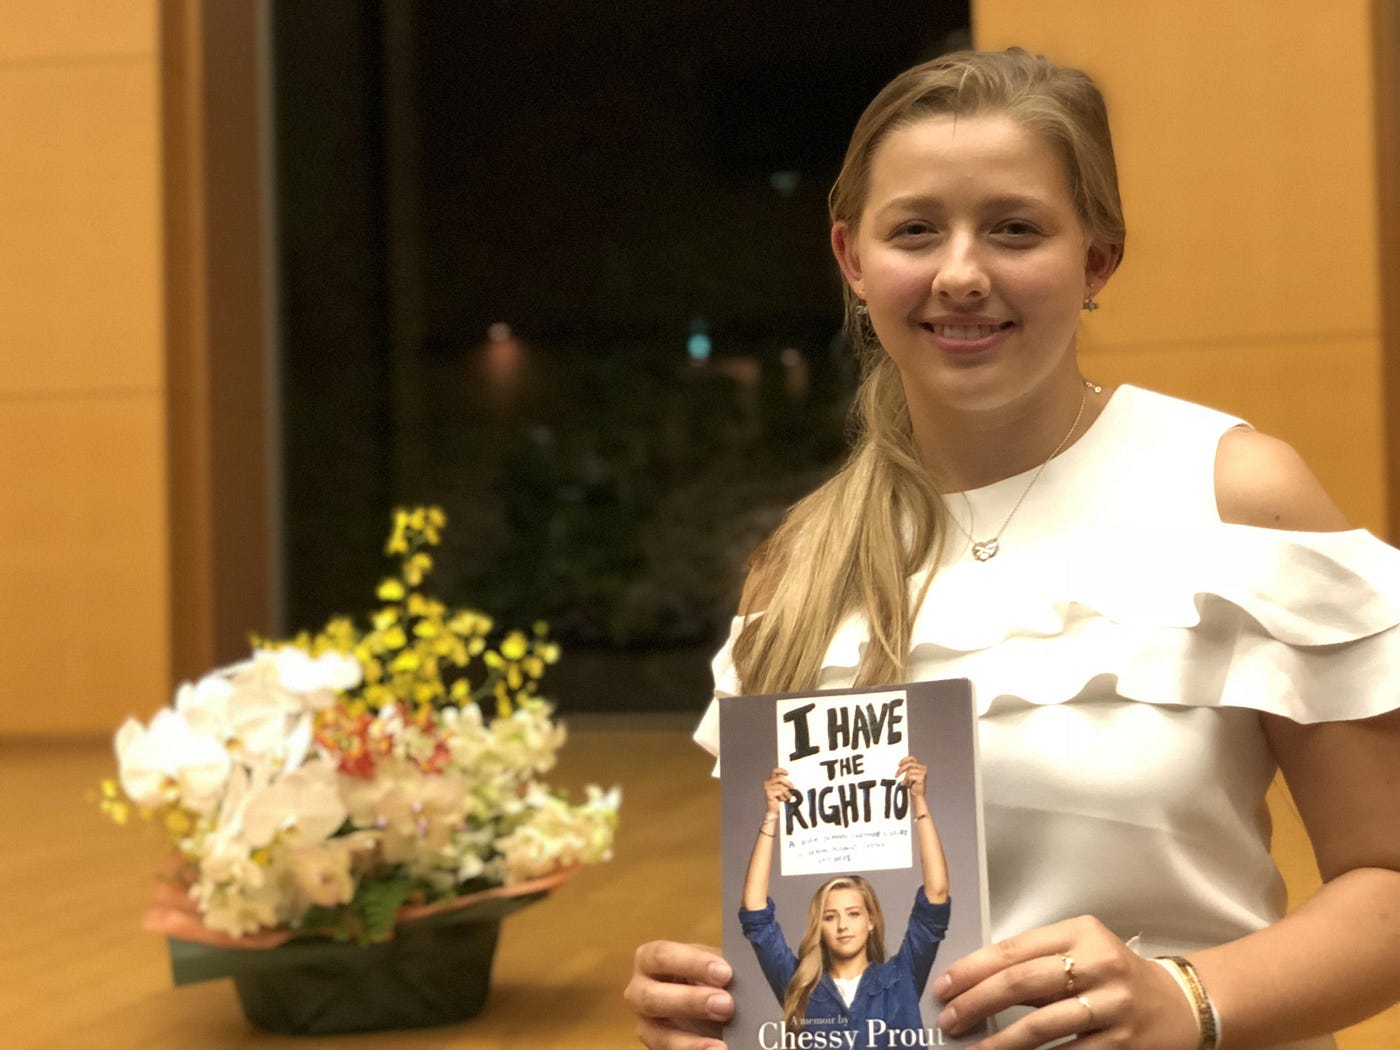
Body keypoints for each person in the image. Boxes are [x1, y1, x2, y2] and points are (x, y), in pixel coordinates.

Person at [624, 46, 1400, 1050]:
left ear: (1095, 259)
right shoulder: (796, 568)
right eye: (914, 230)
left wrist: (1186, 998)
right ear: (853, 262)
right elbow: (829, 953)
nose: (960, 272)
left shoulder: (1231, 491)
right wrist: (710, 1011)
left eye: (1013, 229)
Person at [739, 758, 950, 1046]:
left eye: (853, 914)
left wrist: (919, 802)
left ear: (871, 921)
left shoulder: (902, 977)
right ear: (819, 926)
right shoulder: (799, 985)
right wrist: (772, 814)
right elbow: (755, 913)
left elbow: (936, 895)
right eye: (829, 917)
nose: (842, 926)